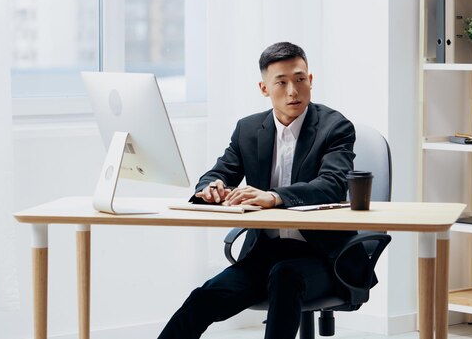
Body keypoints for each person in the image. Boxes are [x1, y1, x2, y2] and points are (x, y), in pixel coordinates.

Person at [158, 42, 368, 339]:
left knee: (286, 277)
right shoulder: (248, 129)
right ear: (264, 88)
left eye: (300, 79)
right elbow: (218, 172)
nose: (293, 91)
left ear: (311, 80)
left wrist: (274, 197)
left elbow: (331, 185)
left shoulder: (335, 127)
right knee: (202, 299)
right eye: (281, 83)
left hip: (324, 257)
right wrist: (211, 187)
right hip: (264, 255)